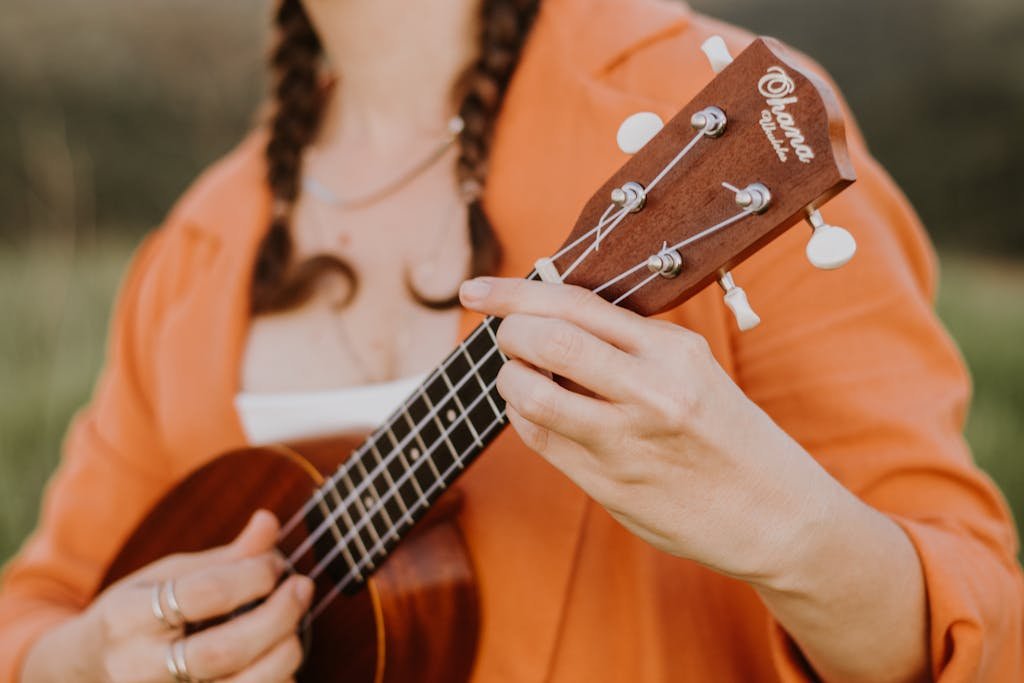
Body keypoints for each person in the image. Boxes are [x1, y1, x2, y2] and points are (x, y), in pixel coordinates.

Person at [1, 0, 1021, 680]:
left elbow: (986, 634)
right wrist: (89, 659)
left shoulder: (695, 110)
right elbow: (38, 604)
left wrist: (788, 533)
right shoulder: (197, 240)